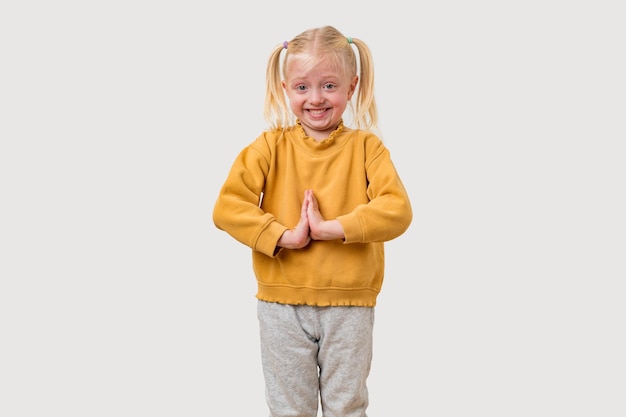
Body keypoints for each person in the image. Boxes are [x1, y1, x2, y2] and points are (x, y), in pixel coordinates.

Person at [213, 25, 412, 417]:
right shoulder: (268, 146)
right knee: (289, 409)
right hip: (281, 304)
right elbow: (227, 207)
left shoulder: (367, 148)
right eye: (302, 87)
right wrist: (283, 237)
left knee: (347, 407)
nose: (316, 98)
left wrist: (332, 230)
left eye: (329, 85)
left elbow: (397, 209)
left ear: (351, 87)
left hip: (349, 305)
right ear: (286, 88)